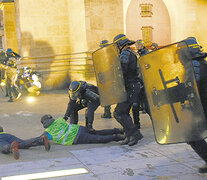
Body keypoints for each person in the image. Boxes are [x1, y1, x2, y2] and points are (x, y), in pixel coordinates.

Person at [112, 34, 143, 146]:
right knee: (124, 112)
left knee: (118, 113)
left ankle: (135, 134)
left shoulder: (125, 54)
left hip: (130, 87)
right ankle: (129, 135)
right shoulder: (131, 53)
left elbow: (122, 72)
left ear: (120, 45)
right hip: (133, 86)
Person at [183, 37, 207, 173]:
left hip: (203, 108)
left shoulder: (194, 66)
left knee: (192, 135)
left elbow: (191, 88)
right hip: (203, 107)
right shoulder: (201, 63)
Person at [41, 114, 124, 145]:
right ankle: (118, 130)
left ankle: (119, 137)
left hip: (77, 138)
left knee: (99, 139)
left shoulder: (47, 132)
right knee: (97, 132)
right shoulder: (59, 120)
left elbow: (40, 140)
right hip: (80, 128)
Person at [99, 40, 112, 119]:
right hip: (107, 77)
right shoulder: (109, 54)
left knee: (106, 95)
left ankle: (107, 113)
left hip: (108, 78)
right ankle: (107, 112)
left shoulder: (107, 56)